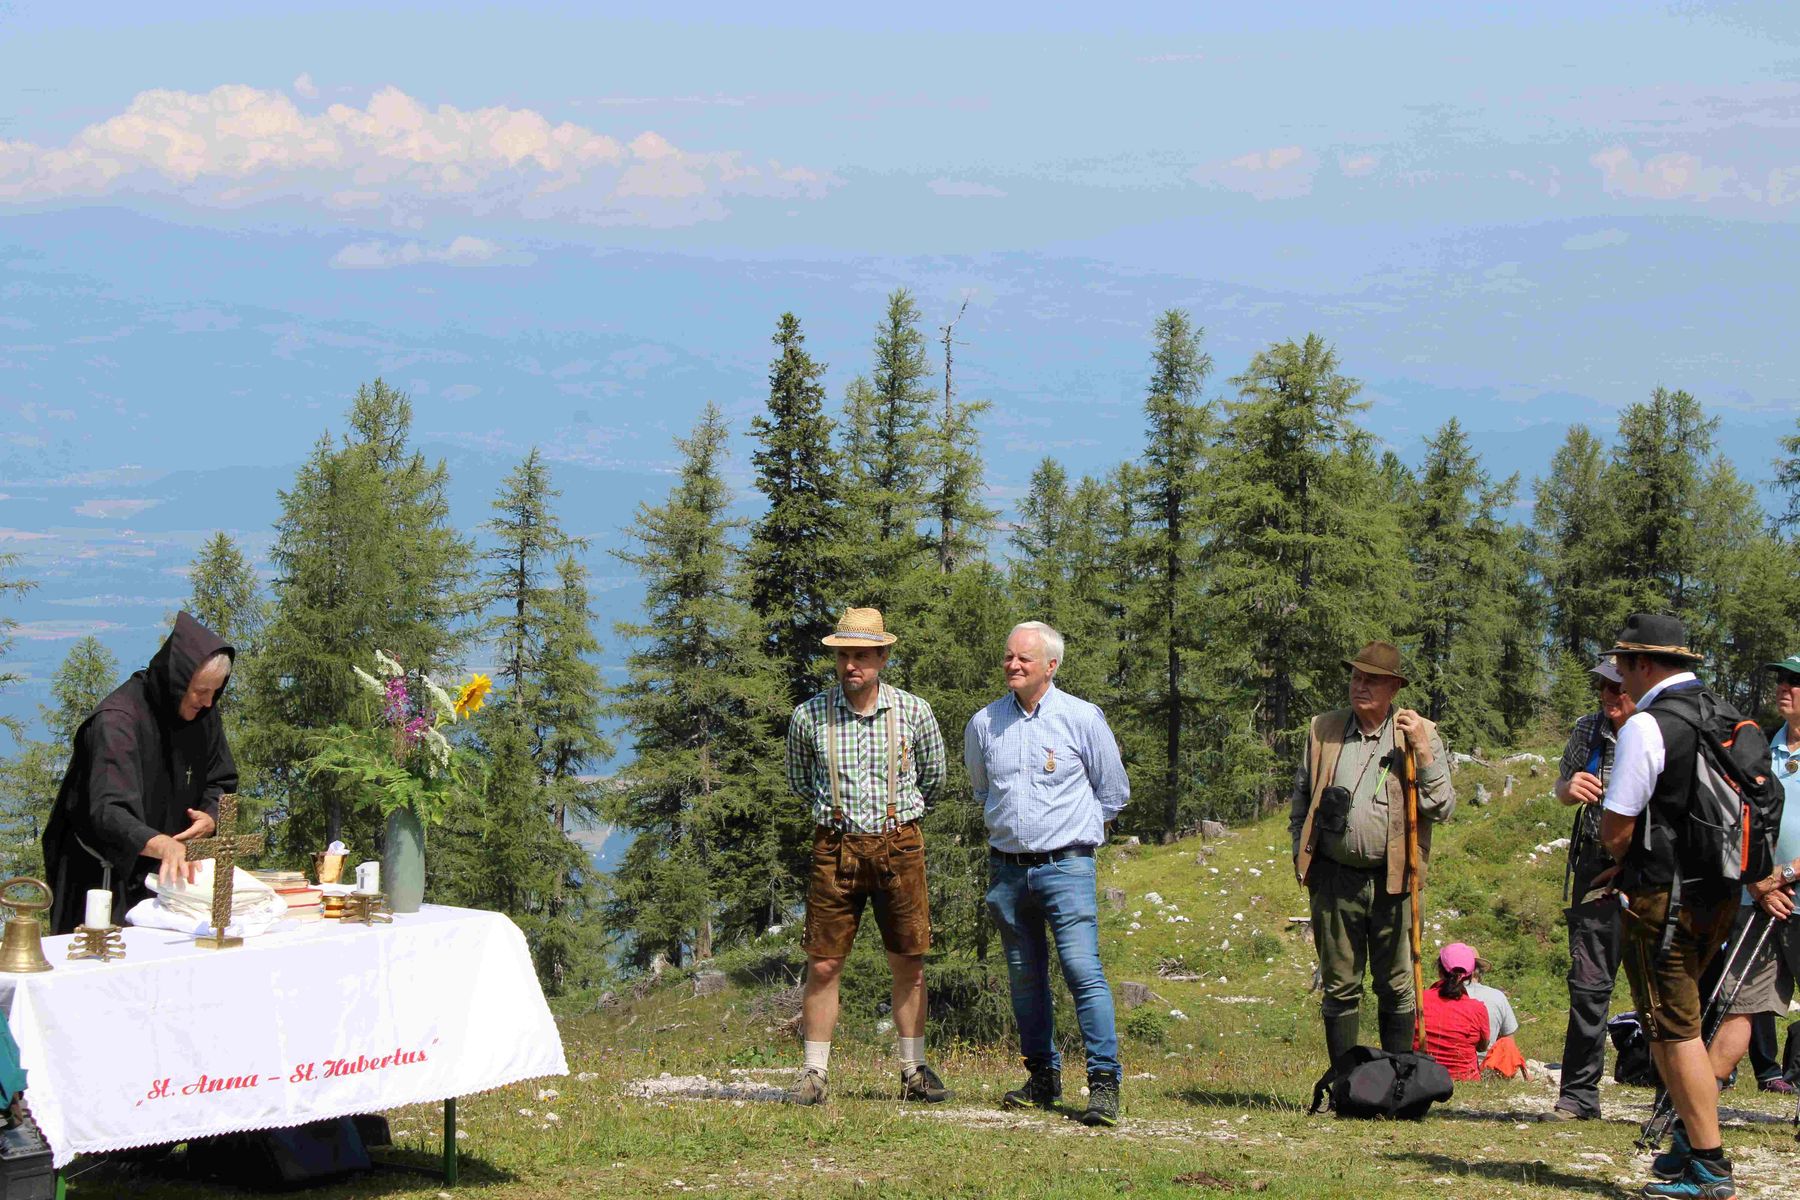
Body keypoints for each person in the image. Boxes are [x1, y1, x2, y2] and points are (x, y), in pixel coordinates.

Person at [1598, 613, 1745, 1199]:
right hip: (1721, 891)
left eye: (1622, 665)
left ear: (1643, 663)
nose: (1618, 678)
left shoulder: (1647, 725)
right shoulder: (1724, 715)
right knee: (1681, 1022)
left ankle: (1710, 1166)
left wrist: (1624, 855)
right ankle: (1689, 1138)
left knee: (1672, 1029)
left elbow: (1616, 825)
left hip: (1663, 900)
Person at [965, 621, 1129, 1127]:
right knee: (1025, 979)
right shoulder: (984, 723)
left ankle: (1103, 1084)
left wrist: (1071, 834)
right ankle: (1042, 1078)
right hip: (1008, 872)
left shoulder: (1081, 718)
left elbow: (1114, 792)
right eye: (1009, 657)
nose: (1013, 665)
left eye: (1024, 659)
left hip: (1067, 867)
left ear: (1051, 666)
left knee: (1083, 972)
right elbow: (980, 788)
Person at [783, 607, 949, 1106]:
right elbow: (798, 783)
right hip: (834, 847)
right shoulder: (809, 715)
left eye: (861, 655)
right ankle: (814, 1073)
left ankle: (914, 1071)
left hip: (899, 844)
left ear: (882, 657)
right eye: (843, 656)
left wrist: (899, 821)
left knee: (909, 960)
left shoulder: (914, 712)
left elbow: (935, 780)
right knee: (824, 962)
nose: (851, 665)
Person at [1289, 641, 1454, 1070]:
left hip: (1394, 879)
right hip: (1334, 877)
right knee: (1340, 985)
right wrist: (1300, 856)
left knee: (1396, 984)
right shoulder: (1323, 729)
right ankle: (1346, 1085)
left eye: (1372, 680)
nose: (1360, 686)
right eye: (1356, 677)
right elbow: (1301, 803)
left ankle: (1397, 1083)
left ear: (1394, 687)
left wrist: (1424, 749)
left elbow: (1442, 806)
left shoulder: (1417, 732)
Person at [42, 612, 236, 935]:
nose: (208, 702)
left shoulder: (205, 714)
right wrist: (160, 843)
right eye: (200, 691)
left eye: (215, 691)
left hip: (169, 882)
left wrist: (211, 815)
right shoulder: (117, 721)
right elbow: (108, 812)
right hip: (105, 884)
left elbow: (222, 779)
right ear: (177, 680)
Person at [1694, 653, 1800, 1113]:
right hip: (1756, 900)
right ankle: (1696, 1110)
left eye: (1796, 681)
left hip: (1784, 890)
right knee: (1739, 1002)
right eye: (1780, 679)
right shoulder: (1761, 747)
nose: (1784, 687)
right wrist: (1758, 883)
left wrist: (1784, 875)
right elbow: (1732, 816)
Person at [1549, 658, 1636, 1119]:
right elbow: (1560, 786)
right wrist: (1569, 788)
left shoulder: (1660, 732)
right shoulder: (1588, 729)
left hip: (1647, 873)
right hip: (1592, 866)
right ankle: (1579, 1095)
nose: (1606, 694)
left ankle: (1675, 1098)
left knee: (1659, 988)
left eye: (1616, 687)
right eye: (1602, 685)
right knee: (1587, 984)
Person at [1420, 943, 1491, 1082]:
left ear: (1439, 969)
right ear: (1470, 975)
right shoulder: (1477, 1008)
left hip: (1421, 1076)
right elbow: (1482, 1046)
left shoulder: (1419, 999)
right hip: (1465, 1080)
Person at [1463, 953, 1527, 1079]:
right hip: (1488, 1065)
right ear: (1479, 972)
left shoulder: (1445, 994)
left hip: (1453, 1063)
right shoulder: (1497, 996)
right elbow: (1509, 1040)